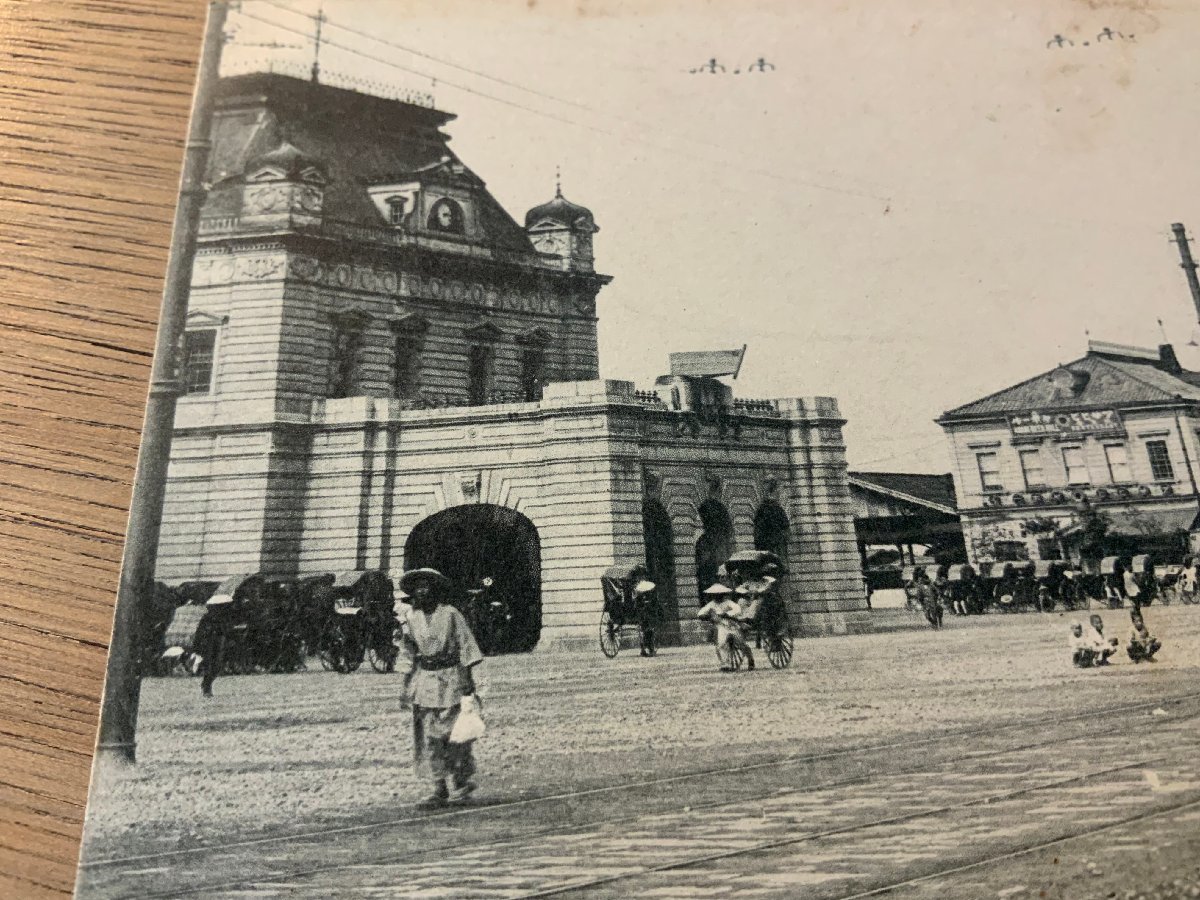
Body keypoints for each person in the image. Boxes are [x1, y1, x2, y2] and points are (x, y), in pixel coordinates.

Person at [397, 568, 485, 810]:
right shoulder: (411, 618)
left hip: (451, 679)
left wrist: (468, 679)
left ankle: (461, 780)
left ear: (435, 590)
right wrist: (406, 685)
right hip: (425, 682)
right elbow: (409, 653)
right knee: (429, 737)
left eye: (427, 586)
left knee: (454, 734)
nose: (422, 591)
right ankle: (438, 786)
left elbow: (465, 644)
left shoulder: (450, 614)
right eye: (418, 587)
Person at [698, 583, 754, 672]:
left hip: (732, 624)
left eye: (719, 594)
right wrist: (706, 616)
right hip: (720, 625)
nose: (717, 596)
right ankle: (725, 664)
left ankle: (750, 658)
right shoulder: (711, 604)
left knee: (740, 643)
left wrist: (727, 614)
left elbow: (737, 609)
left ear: (723, 594)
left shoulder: (728, 602)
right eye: (715, 595)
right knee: (721, 643)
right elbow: (701, 612)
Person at [193, 592, 235, 697]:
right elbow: (200, 632)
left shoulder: (223, 618)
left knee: (217, 665)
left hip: (219, 640)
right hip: (209, 641)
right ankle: (207, 687)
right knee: (210, 664)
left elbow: (227, 630)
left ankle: (206, 684)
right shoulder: (207, 618)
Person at [634, 579, 659, 657]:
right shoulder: (639, 597)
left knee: (647, 632)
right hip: (644, 617)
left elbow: (653, 605)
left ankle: (648, 649)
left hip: (647, 616)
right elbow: (637, 606)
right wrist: (644, 604)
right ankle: (646, 649)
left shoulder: (649, 596)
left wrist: (647, 604)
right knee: (645, 633)